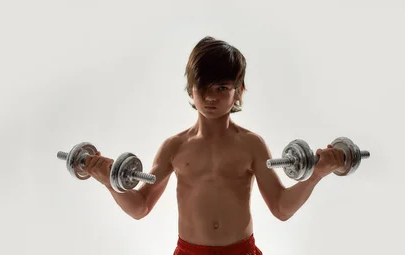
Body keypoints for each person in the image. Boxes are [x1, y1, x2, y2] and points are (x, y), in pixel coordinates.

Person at [83, 36, 345, 255]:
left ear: (238, 91)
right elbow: (140, 207)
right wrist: (109, 181)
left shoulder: (251, 145)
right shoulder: (174, 147)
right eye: (203, 86)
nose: (210, 96)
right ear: (190, 89)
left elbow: (281, 208)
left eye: (222, 87)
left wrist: (316, 175)